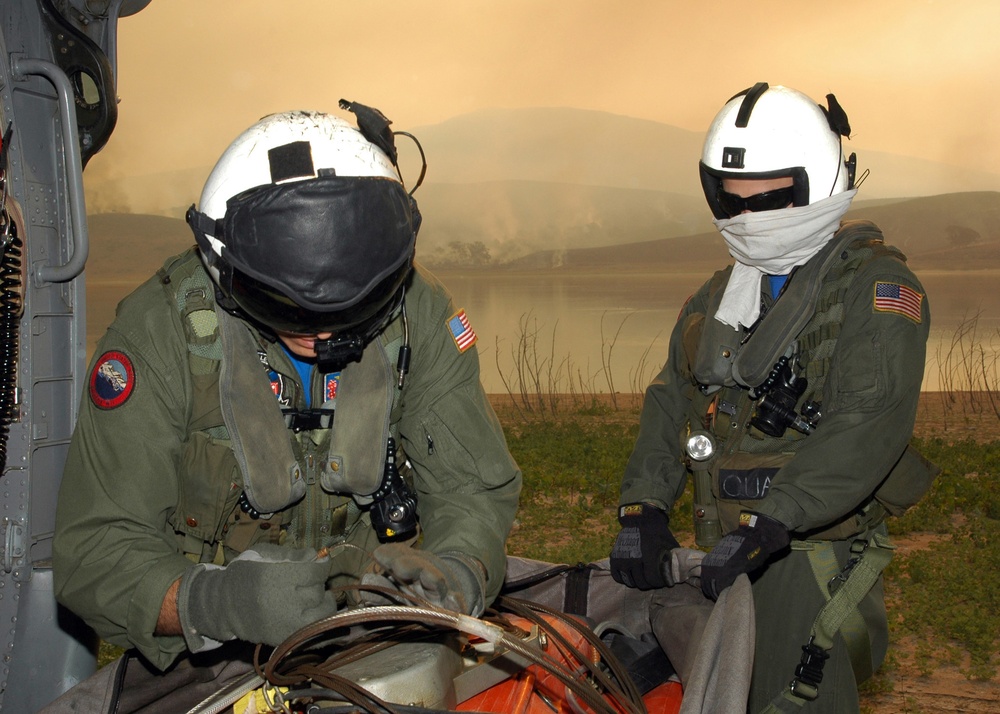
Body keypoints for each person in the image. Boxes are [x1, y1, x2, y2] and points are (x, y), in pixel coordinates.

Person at [53, 103, 522, 674]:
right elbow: (94, 550)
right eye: (288, 305)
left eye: (352, 302)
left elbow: (473, 489)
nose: (323, 331)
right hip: (208, 655)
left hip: (372, 635)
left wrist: (457, 571)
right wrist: (215, 602)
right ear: (227, 272)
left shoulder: (418, 316)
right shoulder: (161, 333)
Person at [609, 83, 935, 712]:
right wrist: (643, 506)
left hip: (808, 552)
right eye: (734, 200)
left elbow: (868, 423)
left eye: (770, 198)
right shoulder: (722, 293)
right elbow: (672, 397)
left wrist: (776, 517)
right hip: (724, 545)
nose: (750, 216)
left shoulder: (877, 288)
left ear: (816, 181)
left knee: (794, 697)